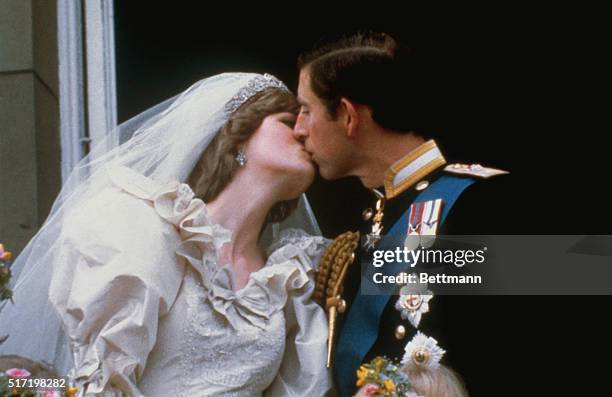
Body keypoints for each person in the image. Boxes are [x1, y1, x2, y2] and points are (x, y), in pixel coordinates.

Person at [0, 73, 332, 396]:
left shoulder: (290, 277)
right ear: (239, 134)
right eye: (288, 122)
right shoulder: (143, 232)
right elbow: (100, 384)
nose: (304, 133)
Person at [294, 32, 512, 396]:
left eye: (306, 110)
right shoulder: (370, 220)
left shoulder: (481, 202)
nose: (299, 129)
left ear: (348, 117)